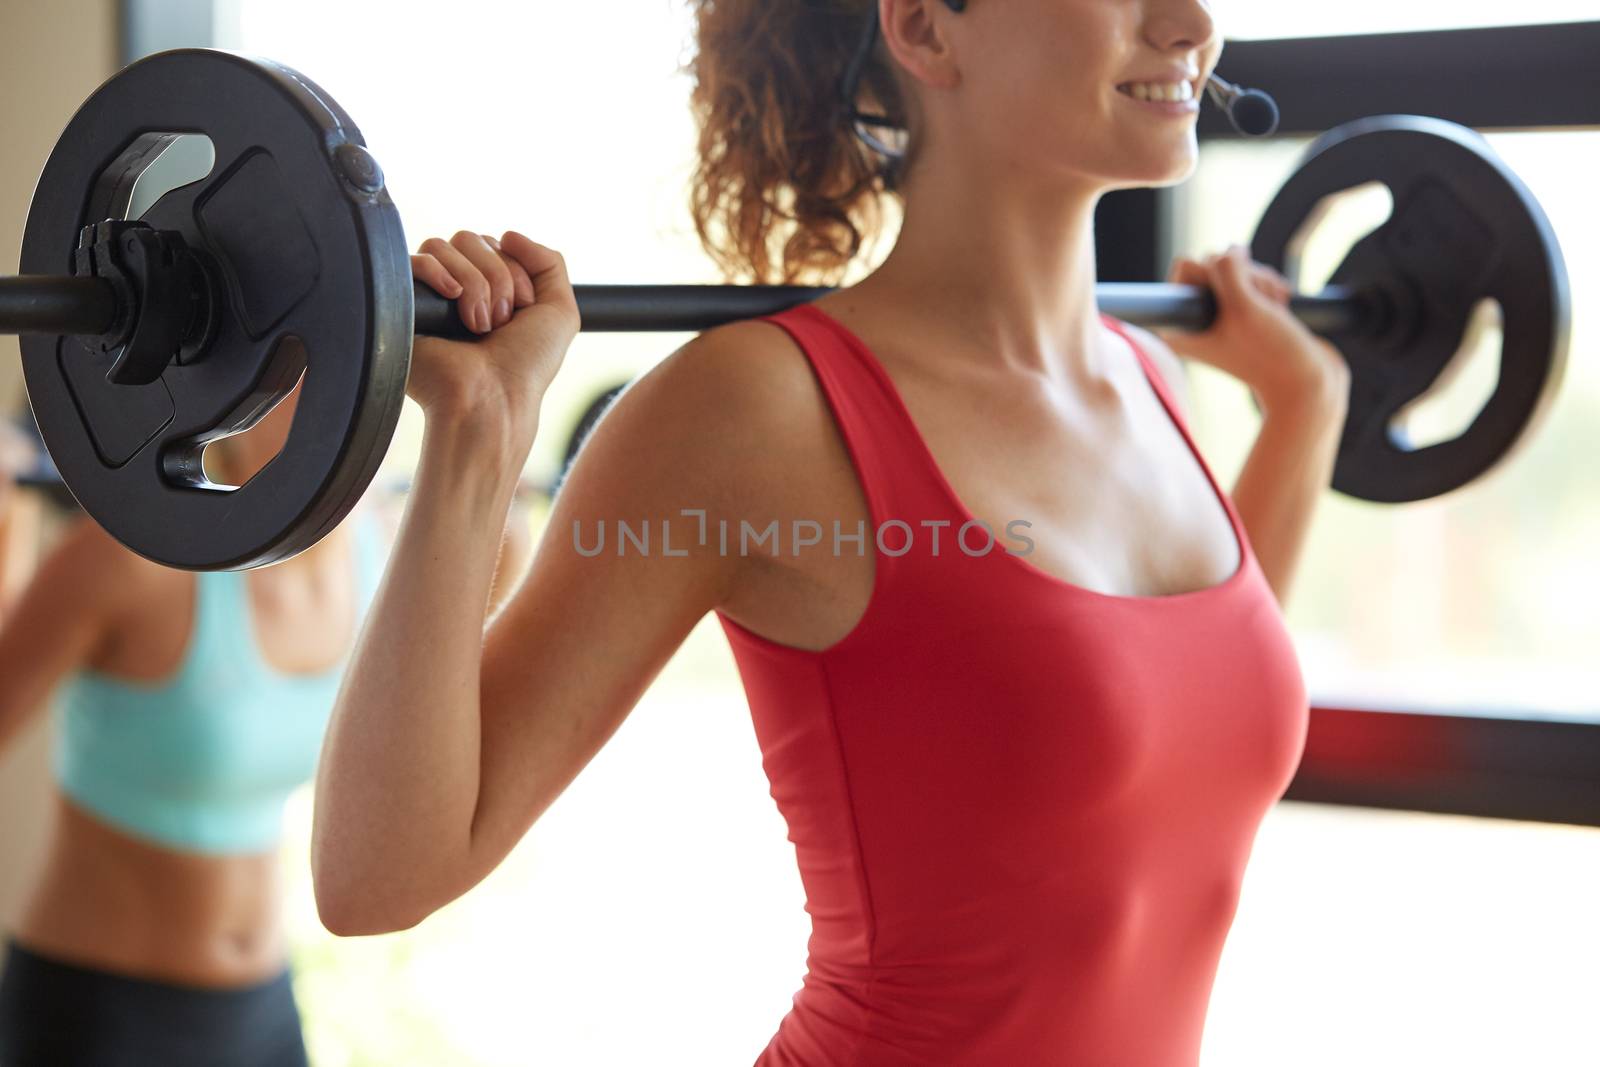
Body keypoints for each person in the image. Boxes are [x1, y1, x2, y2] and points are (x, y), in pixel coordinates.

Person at [313, 0, 1351, 1063]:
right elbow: (378, 874)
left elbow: (1165, 719)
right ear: (926, 29)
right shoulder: (755, 413)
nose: (1191, 22)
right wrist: (478, 435)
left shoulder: (1153, 381)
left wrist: (1305, 411)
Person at [0, 377, 530, 1067]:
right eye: (293, 373)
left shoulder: (390, 552)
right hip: (97, 1013)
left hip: (265, 1010)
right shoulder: (131, 560)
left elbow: (486, 625)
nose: (336, 398)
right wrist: (8, 528)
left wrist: (496, 477)